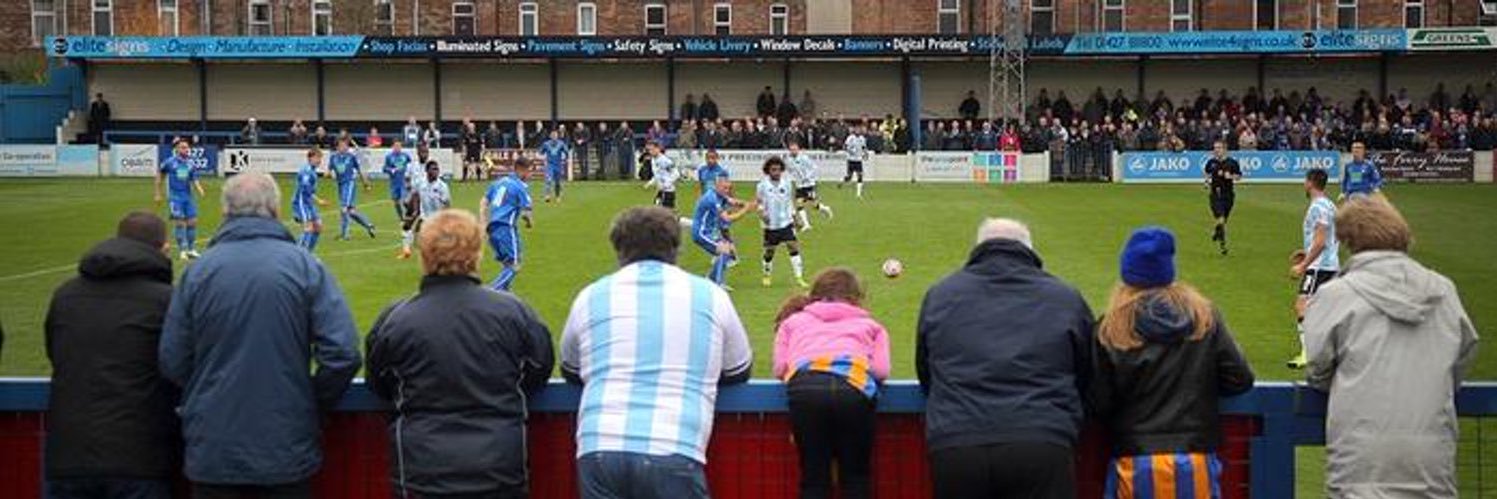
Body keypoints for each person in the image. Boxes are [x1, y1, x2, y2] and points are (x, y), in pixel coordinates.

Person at [160, 173, 361, 498]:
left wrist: (207, 395)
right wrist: (309, 403)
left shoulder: (198, 272)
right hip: (284, 445)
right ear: (276, 209)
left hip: (214, 445)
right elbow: (343, 353)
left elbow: (173, 358)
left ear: (225, 211)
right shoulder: (305, 266)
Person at [560, 206, 753, 499]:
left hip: (600, 445)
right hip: (673, 444)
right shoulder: (710, 295)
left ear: (619, 248)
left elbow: (571, 369)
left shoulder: (592, 296)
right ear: (675, 247)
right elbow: (739, 369)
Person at [366, 209, 555, 498]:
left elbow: (379, 381)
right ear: (477, 254)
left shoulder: (396, 320)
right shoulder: (514, 313)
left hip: (423, 469)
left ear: (424, 255)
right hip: (498, 466)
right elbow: (538, 369)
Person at [916, 218, 1095, 499]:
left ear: (978, 248)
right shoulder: (1065, 297)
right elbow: (1086, 372)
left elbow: (926, 370)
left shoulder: (941, 295)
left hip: (958, 441)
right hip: (1042, 438)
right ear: (1029, 249)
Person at [1314, 200, 1481, 498]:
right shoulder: (1443, 290)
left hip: (1362, 454)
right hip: (1432, 453)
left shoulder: (1336, 295)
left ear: (1349, 241)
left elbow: (1318, 369)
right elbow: (1463, 356)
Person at [1090, 227, 1255, 499]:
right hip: (1195, 454)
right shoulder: (1203, 316)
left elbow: (1098, 401)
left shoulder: (1112, 327)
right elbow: (1240, 378)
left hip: (1136, 457)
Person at [45, 212, 179, 499]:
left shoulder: (65, 295)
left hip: (67, 456)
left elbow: (55, 355)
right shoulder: (165, 300)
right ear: (163, 247)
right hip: (140, 460)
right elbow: (179, 367)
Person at [773, 268, 890, 499]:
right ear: (856, 297)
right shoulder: (872, 326)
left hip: (805, 390)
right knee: (856, 477)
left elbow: (779, 369)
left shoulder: (792, 322)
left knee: (814, 478)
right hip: (853, 392)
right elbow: (881, 371)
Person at [1287, 168, 1339, 369]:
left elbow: (1320, 241)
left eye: (1305, 180)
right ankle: (1330, 351)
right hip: (1328, 264)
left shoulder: (1318, 207)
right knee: (1322, 310)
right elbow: (1328, 238)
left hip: (1319, 267)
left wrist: (1303, 265)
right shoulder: (1330, 205)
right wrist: (1306, 251)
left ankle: (1308, 352)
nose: (1303, 184)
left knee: (1302, 305)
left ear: (1310, 183)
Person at [692, 174, 756, 289]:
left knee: (730, 251)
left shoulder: (720, 195)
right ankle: (716, 283)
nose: (727, 191)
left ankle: (711, 279)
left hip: (710, 232)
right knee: (724, 251)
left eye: (728, 188)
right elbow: (727, 218)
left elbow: (733, 201)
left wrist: (747, 204)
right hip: (701, 233)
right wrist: (746, 210)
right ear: (717, 186)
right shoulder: (711, 198)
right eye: (724, 188)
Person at [481, 158, 534, 291]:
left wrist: (483, 221)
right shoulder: (520, 187)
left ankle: (504, 295)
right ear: (521, 170)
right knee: (515, 265)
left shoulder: (498, 182)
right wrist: (529, 222)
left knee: (507, 264)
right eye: (529, 172)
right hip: (506, 227)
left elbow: (484, 201)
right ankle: (492, 291)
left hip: (492, 229)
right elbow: (526, 212)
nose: (530, 175)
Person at [758, 156, 808, 288]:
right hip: (771, 225)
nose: (776, 173)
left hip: (786, 222)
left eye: (779, 170)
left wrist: (796, 217)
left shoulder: (787, 183)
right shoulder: (762, 185)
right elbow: (759, 203)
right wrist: (762, 214)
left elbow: (789, 202)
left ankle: (799, 277)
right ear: (768, 171)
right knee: (769, 252)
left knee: (793, 246)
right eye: (773, 170)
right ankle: (767, 275)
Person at [154, 139, 207, 260]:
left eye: (187, 148)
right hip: (175, 197)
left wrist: (199, 188)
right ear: (177, 149)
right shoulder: (170, 162)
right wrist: (158, 193)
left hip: (188, 196)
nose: (186, 149)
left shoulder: (190, 163)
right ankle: (182, 251)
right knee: (179, 223)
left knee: (192, 222)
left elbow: (194, 178)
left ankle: (191, 250)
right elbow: (160, 176)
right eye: (183, 147)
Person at [400, 161, 451, 260]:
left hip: (438, 219)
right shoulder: (421, 183)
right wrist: (415, 210)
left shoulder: (442, 186)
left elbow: (447, 204)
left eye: (437, 169)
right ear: (427, 171)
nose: (436, 172)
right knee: (412, 232)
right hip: (425, 217)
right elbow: (416, 195)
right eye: (433, 169)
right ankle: (408, 251)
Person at [329, 138, 377, 240]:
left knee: (344, 209)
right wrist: (327, 173)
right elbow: (329, 170)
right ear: (337, 147)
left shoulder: (351, 157)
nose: (345, 147)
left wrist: (365, 183)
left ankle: (345, 234)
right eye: (342, 146)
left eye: (346, 145)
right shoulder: (333, 157)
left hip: (349, 183)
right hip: (340, 185)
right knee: (351, 212)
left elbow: (359, 169)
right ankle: (369, 225)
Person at [1204, 140, 1243, 255]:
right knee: (1220, 218)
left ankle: (1217, 233)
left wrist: (1230, 176)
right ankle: (1223, 245)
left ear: (1224, 149)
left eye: (1219, 148)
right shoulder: (1211, 162)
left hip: (1228, 194)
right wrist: (1206, 182)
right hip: (1216, 194)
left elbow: (1239, 176)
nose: (1216, 150)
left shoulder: (1232, 162)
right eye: (1215, 148)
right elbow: (1207, 173)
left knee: (1223, 221)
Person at [787, 142, 834, 231]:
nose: (793, 151)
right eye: (791, 150)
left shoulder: (804, 158)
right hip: (799, 185)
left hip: (809, 185)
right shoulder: (789, 160)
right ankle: (806, 225)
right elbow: (790, 171)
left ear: (798, 150)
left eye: (795, 149)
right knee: (799, 204)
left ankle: (826, 209)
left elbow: (814, 168)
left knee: (814, 205)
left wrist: (807, 177)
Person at [292, 148, 329, 251]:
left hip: (308, 202)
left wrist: (318, 200)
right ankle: (298, 253)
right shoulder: (306, 171)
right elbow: (305, 189)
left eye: (320, 158)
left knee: (318, 227)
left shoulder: (312, 170)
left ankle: (308, 253)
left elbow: (309, 191)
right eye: (317, 157)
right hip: (301, 203)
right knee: (308, 228)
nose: (319, 160)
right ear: (310, 158)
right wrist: (318, 201)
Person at [644, 140, 682, 209]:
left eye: (652, 149)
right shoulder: (653, 160)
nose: (650, 152)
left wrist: (667, 184)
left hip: (668, 191)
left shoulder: (665, 161)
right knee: (657, 211)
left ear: (658, 149)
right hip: (661, 191)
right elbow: (658, 174)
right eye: (649, 150)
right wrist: (650, 183)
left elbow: (676, 174)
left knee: (664, 213)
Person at [383, 139, 414, 220]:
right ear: (392, 147)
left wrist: (410, 179)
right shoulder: (389, 157)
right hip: (394, 183)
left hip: (403, 181)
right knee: (396, 202)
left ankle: (409, 214)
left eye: (399, 146)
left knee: (405, 201)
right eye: (396, 146)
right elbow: (384, 168)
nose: (398, 148)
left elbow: (411, 166)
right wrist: (390, 170)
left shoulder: (405, 156)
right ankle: (401, 218)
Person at [541, 129, 570, 202]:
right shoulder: (546, 144)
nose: (554, 136)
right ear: (550, 136)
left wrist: (565, 159)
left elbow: (566, 152)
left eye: (555, 135)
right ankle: (547, 196)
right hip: (550, 164)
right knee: (548, 179)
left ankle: (557, 196)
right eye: (552, 135)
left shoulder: (561, 144)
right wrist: (543, 158)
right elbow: (541, 152)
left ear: (557, 136)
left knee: (557, 182)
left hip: (558, 165)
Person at [842, 124, 869, 199]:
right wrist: (850, 150)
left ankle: (858, 194)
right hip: (851, 159)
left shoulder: (862, 138)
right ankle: (842, 182)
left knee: (860, 175)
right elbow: (845, 146)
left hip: (858, 160)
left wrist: (865, 154)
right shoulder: (850, 138)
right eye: (856, 130)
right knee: (849, 176)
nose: (857, 131)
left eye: (859, 130)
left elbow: (864, 147)